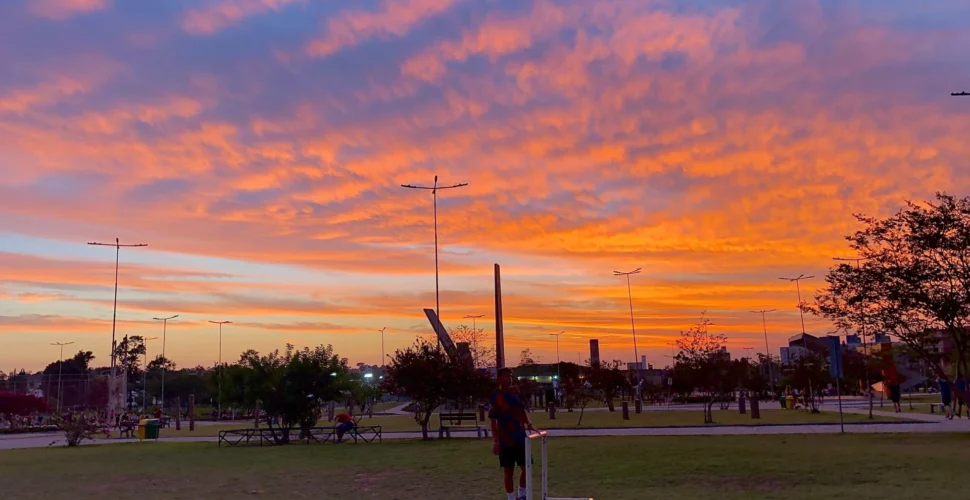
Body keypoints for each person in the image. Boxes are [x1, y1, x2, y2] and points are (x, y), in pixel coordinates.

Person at [490, 367, 537, 500]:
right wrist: (496, 441)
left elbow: (522, 410)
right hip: (506, 439)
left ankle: (521, 494)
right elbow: (493, 421)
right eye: (506, 376)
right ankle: (511, 497)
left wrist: (529, 423)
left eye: (510, 376)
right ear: (499, 379)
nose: (509, 379)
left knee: (527, 467)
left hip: (520, 437)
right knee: (508, 471)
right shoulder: (496, 396)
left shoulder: (516, 391)